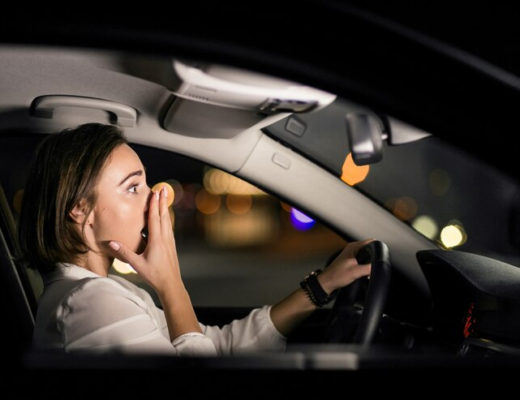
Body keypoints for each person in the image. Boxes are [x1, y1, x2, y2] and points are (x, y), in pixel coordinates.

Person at [18, 123, 372, 356]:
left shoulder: (108, 292)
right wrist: (171, 284)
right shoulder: (90, 303)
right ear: (80, 210)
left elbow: (215, 346)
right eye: (133, 187)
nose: (156, 198)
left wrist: (322, 286)